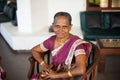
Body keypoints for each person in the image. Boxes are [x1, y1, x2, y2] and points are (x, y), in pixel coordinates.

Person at [31, 12, 92, 80]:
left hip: (72, 76)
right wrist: (43, 64)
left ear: (70, 27)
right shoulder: (51, 41)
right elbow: (34, 50)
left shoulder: (77, 44)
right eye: (57, 26)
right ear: (53, 26)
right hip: (55, 70)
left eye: (65, 27)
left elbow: (81, 70)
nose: (60, 30)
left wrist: (56, 76)